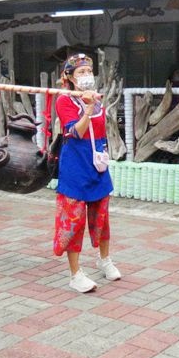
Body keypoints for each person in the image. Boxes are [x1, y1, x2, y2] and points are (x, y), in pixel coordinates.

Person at [53, 53, 119, 293]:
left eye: (88, 71)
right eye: (80, 72)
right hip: (75, 166)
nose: (86, 76)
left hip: (97, 164)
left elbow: (100, 131)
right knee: (73, 220)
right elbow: (76, 132)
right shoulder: (64, 101)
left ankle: (104, 259)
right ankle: (75, 273)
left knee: (102, 215)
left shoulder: (98, 100)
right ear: (69, 77)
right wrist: (88, 108)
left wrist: (92, 104)